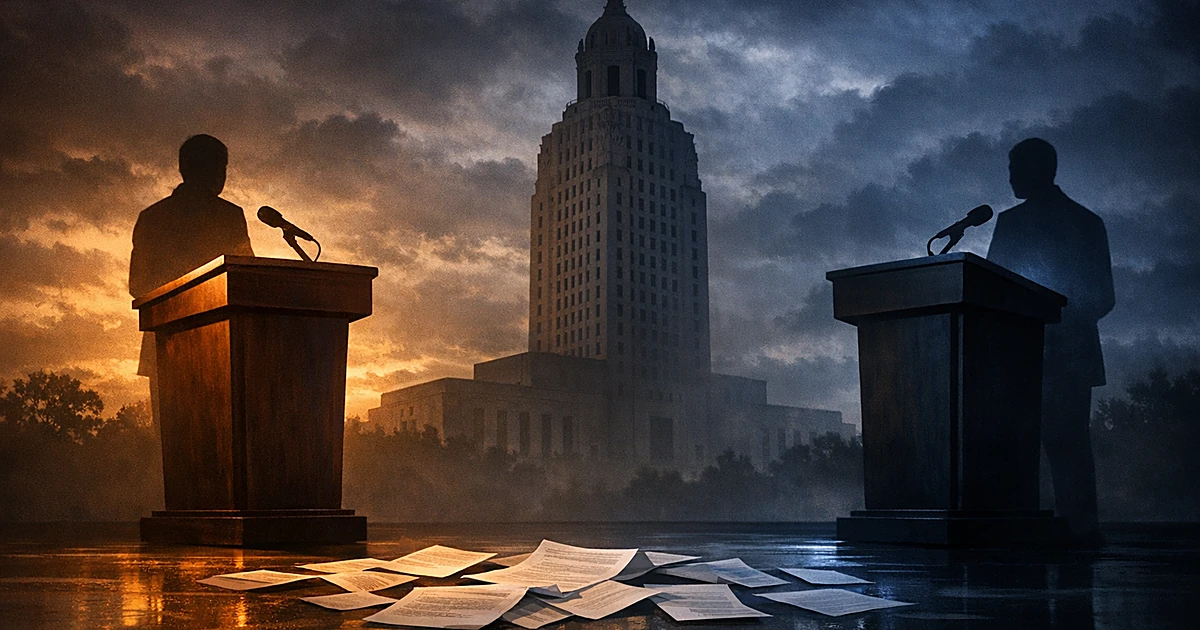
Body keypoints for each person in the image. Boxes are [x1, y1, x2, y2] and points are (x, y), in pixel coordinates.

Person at [987, 137, 1114, 545]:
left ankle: (1033, 530)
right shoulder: (1086, 222)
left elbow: (990, 291)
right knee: (1065, 446)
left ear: (1037, 170)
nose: (1009, 179)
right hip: (1047, 355)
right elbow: (1103, 297)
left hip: (1033, 355)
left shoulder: (1016, 224)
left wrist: (1044, 324)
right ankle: (1078, 530)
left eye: (1014, 169)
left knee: (1048, 446)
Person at [129, 134, 254, 425]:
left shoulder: (152, 217)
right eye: (222, 168)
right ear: (216, 171)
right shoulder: (229, 216)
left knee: (171, 444)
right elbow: (246, 279)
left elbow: (138, 285)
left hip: (164, 343)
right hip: (220, 344)